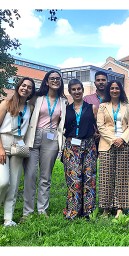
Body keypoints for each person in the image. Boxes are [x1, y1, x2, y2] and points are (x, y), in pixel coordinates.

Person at [23, 70, 68, 219]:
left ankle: (42, 210)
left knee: (45, 176)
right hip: (34, 136)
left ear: (60, 82)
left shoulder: (64, 101)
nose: (55, 80)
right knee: (30, 175)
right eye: (52, 78)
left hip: (52, 138)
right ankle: (27, 212)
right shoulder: (36, 98)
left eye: (58, 78)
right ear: (47, 82)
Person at [0, 77, 35, 227]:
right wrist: (0, 148)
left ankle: (8, 218)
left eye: (29, 87)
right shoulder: (6, 103)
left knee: (13, 185)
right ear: (18, 86)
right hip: (4, 143)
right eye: (23, 85)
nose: (25, 88)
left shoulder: (30, 108)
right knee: (3, 182)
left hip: (19, 146)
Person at [97, 80, 129, 218]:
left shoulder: (127, 106)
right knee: (106, 176)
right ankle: (106, 208)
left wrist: (122, 139)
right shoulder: (102, 106)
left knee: (122, 177)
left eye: (117, 88)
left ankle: (120, 208)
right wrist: (113, 140)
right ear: (108, 90)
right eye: (112, 88)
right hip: (107, 144)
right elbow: (100, 126)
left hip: (124, 144)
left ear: (120, 90)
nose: (114, 90)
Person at [62, 79, 98, 220]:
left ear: (83, 90)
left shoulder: (92, 108)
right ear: (70, 92)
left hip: (89, 145)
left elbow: (97, 127)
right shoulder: (66, 110)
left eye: (79, 89)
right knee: (73, 179)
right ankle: (73, 211)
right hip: (72, 147)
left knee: (89, 179)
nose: (77, 92)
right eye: (74, 89)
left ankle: (88, 211)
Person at [84, 71, 108, 149]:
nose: (101, 82)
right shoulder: (87, 99)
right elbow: (84, 118)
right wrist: (93, 132)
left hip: (110, 137)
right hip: (92, 137)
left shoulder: (113, 98)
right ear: (94, 83)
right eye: (98, 80)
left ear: (107, 82)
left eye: (103, 80)